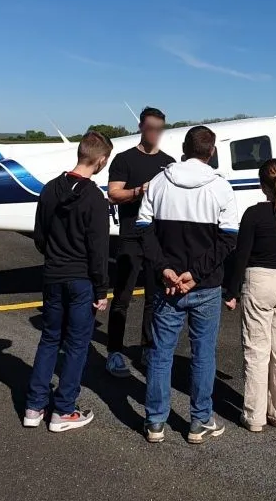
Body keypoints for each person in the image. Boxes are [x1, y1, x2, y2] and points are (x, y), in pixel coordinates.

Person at [137, 125, 239, 444]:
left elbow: (143, 230)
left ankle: (155, 422)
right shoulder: (221, 187)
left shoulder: (158, 183)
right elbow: (227, 240)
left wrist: (165, 268)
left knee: (160, 353)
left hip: (166, 286)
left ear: (184, 147)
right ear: (211, 151)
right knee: (203, 353)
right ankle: (200, 420)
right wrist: (195, 274)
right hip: (205, 287)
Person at [23, 130, 114, 432]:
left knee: (49, 339)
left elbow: (39, 236)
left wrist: (54, 256)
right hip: (81, 280)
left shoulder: (49, 189)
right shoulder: (94, 199)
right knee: (76, 345)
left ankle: (34, 406)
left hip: (53, 275)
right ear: (100, 161)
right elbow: (99, 250)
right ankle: (63, 410)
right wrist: (101, 289)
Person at [223, 158, 276, 433]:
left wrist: (232, 291)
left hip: (260, 281)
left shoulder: (253, 215)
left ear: (262, 185)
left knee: (257, 351)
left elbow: (241, 255)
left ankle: (254, 416)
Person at [104, 106, 175, 377]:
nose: (154, 133)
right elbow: (113, 194)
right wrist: (139, 191)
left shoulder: (169, 162)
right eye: (150, 128)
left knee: (154, 297)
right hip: (131, 236)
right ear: (141, 128)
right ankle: (114, 351)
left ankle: (147, 347)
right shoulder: (124, 159)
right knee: (122, 296)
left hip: (156, 239)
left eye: (159, 128)